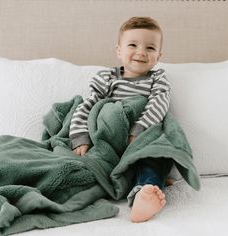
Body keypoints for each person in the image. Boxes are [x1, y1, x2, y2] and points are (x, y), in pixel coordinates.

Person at [69, 16, 173, 223]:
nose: (141, 52)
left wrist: (139, 131)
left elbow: (159, 103)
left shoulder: (157, 78)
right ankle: (80, 191)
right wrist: (80, 137)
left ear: (159, 55)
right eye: (133, 45)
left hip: (140, 139)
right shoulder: (107, 78)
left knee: (152, 159)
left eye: (150, 48)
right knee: (89, 164)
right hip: (108, 139)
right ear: (119, 50)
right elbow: (89, 106)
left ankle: (145, 193)